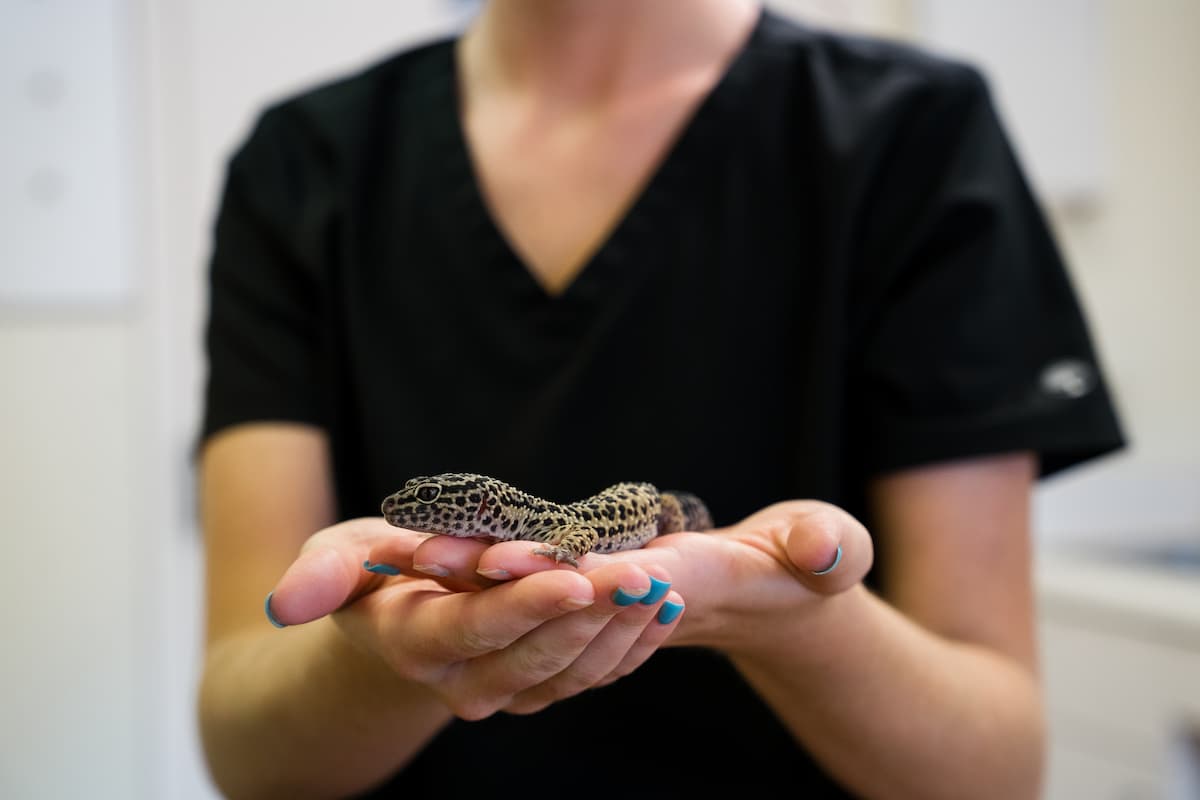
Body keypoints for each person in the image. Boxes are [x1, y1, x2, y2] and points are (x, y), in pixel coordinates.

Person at [196, 1, 1125, 797]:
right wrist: (376, 662)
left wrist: (801, 625)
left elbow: (996, 770)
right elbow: (246, 751)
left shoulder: (918, 133)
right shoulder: (302, 163)